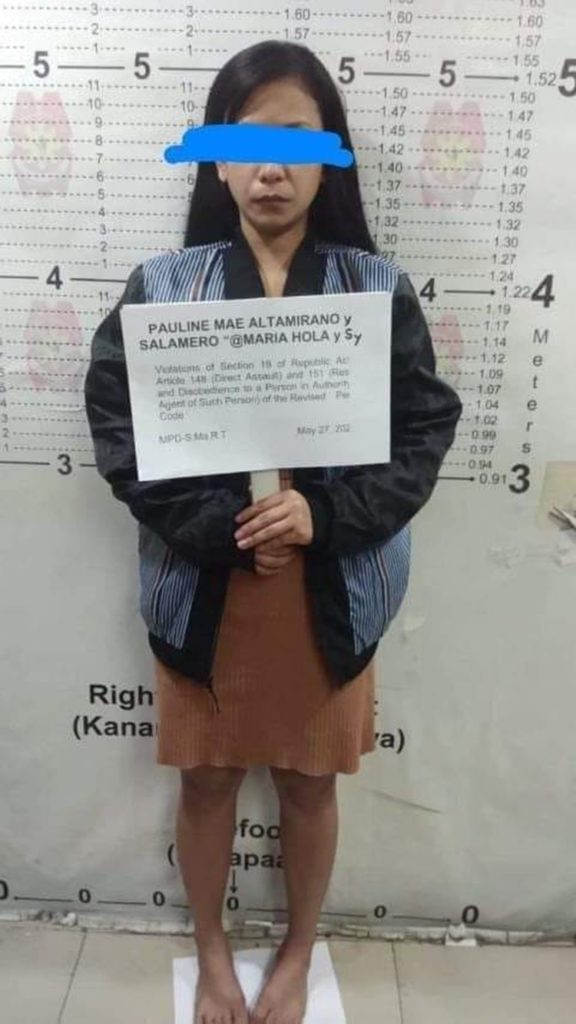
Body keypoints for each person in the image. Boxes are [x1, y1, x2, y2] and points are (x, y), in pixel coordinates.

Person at [84, 39, 462, 1024]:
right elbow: (120, 428)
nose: (270, 169)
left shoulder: (374, 289)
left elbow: (422, 432)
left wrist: (324, 515)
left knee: (308, 785)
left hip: (328, 590)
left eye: (296, 143)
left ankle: (298, 953)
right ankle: (211, 954)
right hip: (206, 585)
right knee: (207, 781)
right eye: (246, 143)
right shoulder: (164, 288)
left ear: (330, 158)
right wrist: (219, 525)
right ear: (215, 161)